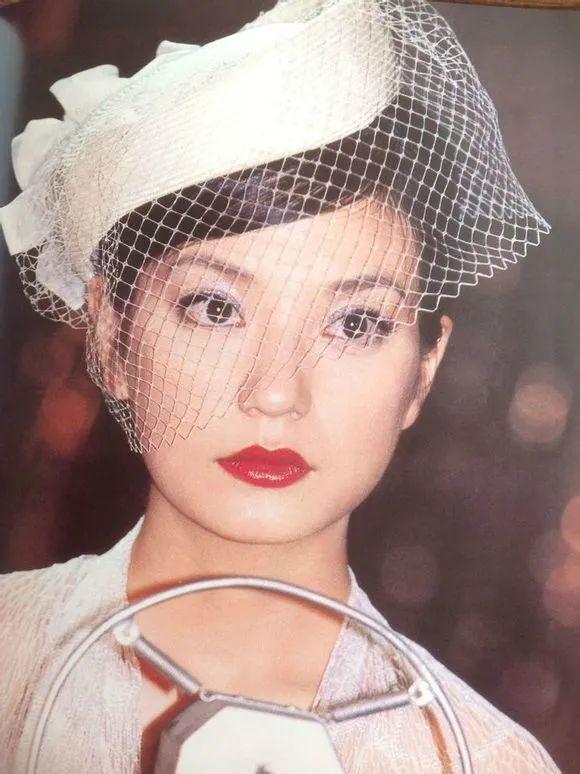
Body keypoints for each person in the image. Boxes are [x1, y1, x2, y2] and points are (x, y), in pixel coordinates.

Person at [0, 0, 561, 771]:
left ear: (422, 374)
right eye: (215, 308)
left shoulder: (473, 758)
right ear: (110, 336)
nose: (275, 394)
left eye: (355, 323)